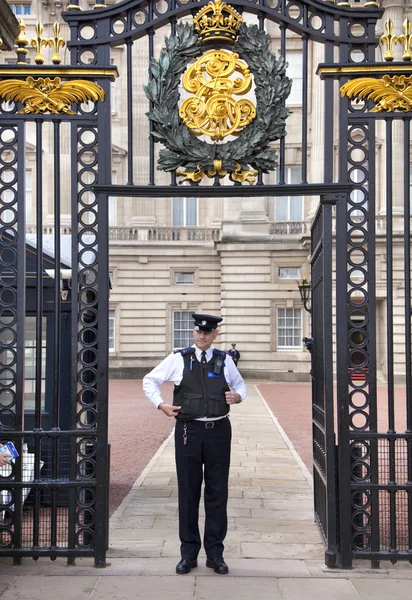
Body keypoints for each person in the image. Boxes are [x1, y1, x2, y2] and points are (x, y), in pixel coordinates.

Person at [143, 313, 247, 575]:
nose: (202, 336)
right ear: (193, 333)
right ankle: (188, 554)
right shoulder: (179, 358)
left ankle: (215, 554)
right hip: (188, 431)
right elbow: (150, 380)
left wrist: (238, 396)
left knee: (217, 491)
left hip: (219, 432)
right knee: (188, 492)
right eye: (198, 332)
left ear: (215, 334)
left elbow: (240, 385)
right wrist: (161, 405)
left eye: (207, 332)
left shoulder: (224, 360)